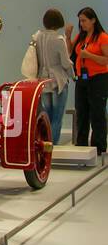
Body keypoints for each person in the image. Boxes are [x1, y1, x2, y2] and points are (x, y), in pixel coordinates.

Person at [67, 7, 108, 156]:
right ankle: (82, 145)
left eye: (84, 20)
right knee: (82, 112)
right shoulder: (81, 36)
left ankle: (99, 147)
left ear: (93, 20)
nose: (82, 23)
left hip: (98, 79)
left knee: (97, 113)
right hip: (82, 79)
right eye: (80, 21)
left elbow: (106, 60)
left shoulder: (102, 37)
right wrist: (68, 36)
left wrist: (89, 55)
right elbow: (70, 51)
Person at [31, 9, 74, 145]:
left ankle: (44, 143)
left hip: (43, 81)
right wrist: (73, 75)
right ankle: (53, 145)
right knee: (57, 116)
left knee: (46, 116)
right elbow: (65, 63)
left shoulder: (37, 36)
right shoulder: (58, 39)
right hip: (58, 81)